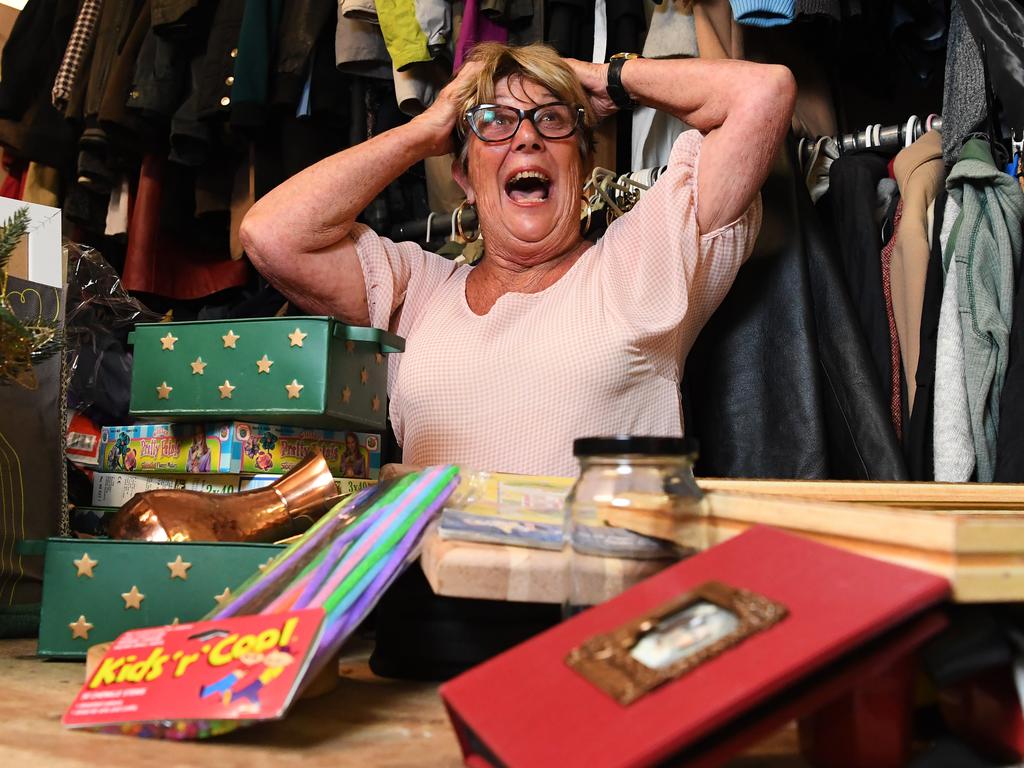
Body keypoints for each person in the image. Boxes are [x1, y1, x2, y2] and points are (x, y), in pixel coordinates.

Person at [241, 44, 795, 477]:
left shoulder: (640, 261)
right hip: (434, 603)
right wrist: (421, 131)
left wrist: (605, 80)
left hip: (590, 603)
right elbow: (271, 233)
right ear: (466, 179)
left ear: (582, 164)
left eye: (551, 120)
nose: (527, 137)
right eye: (496, 122)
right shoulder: (419, 291)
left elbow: (763, 92)